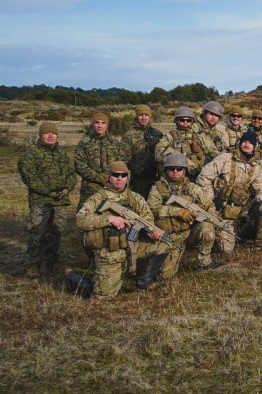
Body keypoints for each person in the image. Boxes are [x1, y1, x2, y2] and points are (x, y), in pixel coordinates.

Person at [76, 161, 170, 297]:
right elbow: (80, 219)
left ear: (127, 177)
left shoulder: (135, 198)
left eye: (123, 175)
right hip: (110, 253)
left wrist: (151, 233)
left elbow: (147, 220)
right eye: (115, 175)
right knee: (103, 296)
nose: (119, 178)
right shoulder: (98, 198)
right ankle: (72, 277)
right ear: (109, 177)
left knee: (163, 245)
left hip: (133, 247)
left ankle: (143, 282)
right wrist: (109, 219)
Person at [196, 131, 262, 252]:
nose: (247, 145)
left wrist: (258, 202)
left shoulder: (256, 168)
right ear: (240, 143)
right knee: (226, 250)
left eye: (250, 143)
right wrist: (211, 199)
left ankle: (257, 240)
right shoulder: (225, 158)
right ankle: (212, 232)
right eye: (244, 141)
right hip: (219, 207)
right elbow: (203, 177)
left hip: (239, 208)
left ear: (255, 146)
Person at [18, 122, 77, 278]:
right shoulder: (31, 154)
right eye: (47, 133)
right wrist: (48, 192)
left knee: (56, 233)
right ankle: (32, 264)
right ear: (40, 135)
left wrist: (67, 189)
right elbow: (29, 177)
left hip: (60, 201)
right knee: (38, 232)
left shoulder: (62, 154)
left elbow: (72, 175)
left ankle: (50, 262)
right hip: (40, 201)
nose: (50, 136)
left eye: (53, 133)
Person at [147, 153, 219, 274]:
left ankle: (203, 262)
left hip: (187, 232)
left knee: (208, 230)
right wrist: (178, 211)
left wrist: (210, 216)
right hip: (168, 235)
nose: (175, 171)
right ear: (166, 170)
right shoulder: (157, 188)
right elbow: (151, 210)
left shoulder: (192, 188)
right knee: (165, 275)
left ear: (185, 170)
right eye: (171, 169)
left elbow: (209, 205)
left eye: (179, 169)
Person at [74, 112, 125, 208]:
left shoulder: (114, 142)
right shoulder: (84, 143)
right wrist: (99, 178)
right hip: (90, 189)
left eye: (103, 123)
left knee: (111, 218)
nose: (100, 125)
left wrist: (112, 178)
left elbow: (121, 163)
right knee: (85, 218)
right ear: (93, 124)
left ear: (107, 125)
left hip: (111, 188)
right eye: (97, 122)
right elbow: (79, 165)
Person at [155, 107, 218, 180]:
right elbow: (158, 154)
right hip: (176, 175)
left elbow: (214, 153)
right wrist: (180, 160)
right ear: (176, 121)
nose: (185, 122)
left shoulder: (200, 136)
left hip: (197, 175)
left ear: (192, 121)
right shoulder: (170, 136)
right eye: (182, 120)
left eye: (188, 120)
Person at [121, 104, 163, 197]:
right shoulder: (129, 134)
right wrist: (137, 169)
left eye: (146, 115)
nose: (143, 118)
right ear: (136, 117)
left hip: (154, 176)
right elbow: (124, 156)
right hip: (136, 177)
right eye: (141, 115)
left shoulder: (157, 134)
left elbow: (161, 154)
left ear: (150, 117)